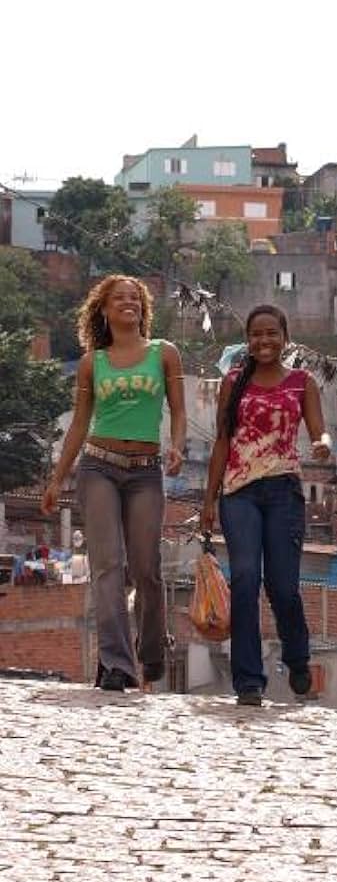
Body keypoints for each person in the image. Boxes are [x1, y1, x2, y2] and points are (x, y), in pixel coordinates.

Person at [42, 274, 186, 690]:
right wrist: (57, 479)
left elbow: (178, 411)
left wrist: (176, 446)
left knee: (146, 568)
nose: (129, 303)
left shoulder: (164, 354)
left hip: (145, 471)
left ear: (143, 309)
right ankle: (116, 663)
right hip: (98, 466)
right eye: (119, 298)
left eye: (135, 298)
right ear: (103, 311)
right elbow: (79, 424)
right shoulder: (93, 362)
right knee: (108, 566)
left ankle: (153, 649)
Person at [201, 305, 331, 707]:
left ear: (285, 338)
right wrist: (208, 500)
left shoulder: (301, 382)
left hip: (283, 494)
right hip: (239, 492)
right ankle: (248, 682)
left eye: (272, 333)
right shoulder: (234, 382)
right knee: (244, 578)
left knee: (283, 587)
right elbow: (222, 442)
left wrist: (323, 444)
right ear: (248, 340)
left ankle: (297, 658)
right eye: (256, 334)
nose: (264, 341)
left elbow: (317, 427)